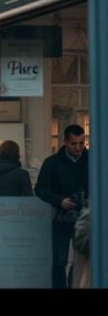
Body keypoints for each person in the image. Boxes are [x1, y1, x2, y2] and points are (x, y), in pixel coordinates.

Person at [35, 124, 89, 289]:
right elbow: (40, 189)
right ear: (65, 142)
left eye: (81, 143)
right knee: (59, 261)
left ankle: (74, 285)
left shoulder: (91, 160)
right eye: (74, 143)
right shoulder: (52, 163)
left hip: (85, 217)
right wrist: (59, 201)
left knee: (81, 259)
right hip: (61, 217)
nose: (78, 147)